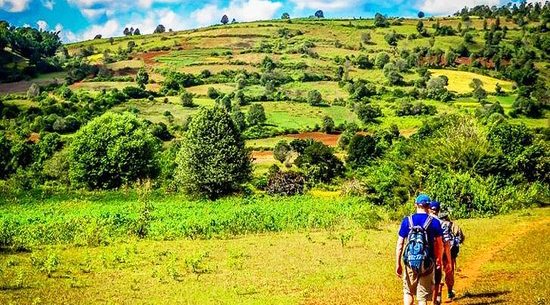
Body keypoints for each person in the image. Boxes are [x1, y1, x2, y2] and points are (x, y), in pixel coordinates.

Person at [396, 194, 447, 305]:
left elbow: (400, 244)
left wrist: (398, 264)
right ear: (429, 206)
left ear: (416, 205)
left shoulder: (407, 221)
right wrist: (438, 259)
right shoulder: (434, 222)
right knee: (422, 297)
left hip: (410, 262)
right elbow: (440, 244)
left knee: (408, 292)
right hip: (427, 262)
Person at [428, 201, 452, 305]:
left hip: (425, 255)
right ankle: (436, 298)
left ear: (429, 209)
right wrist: (449, 261)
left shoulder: (424, 220)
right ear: (438, 211)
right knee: (437, 278)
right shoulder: (442, 223)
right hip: (438, 255)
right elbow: (446, 244)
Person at [438, 211, 465, 300]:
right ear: (447, 217)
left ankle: (438, 295)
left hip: (438, 253)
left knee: (438, 273)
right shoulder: (453, 225)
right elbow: (461, 238)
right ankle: (449, 291)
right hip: (450, 253)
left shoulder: (435, 224)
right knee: (449, 272)